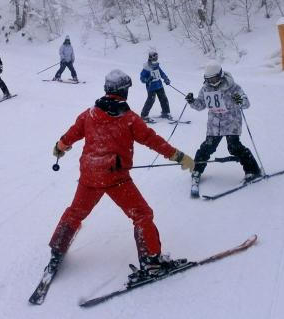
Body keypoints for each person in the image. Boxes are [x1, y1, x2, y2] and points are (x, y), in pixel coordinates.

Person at [47, 69, 195, 280]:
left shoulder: (89, 114)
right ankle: (151, 261)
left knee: (75, 213)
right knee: (142, 215)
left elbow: (71, 134)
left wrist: (60, 146)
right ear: (124, 91)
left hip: (90, 175)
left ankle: (57, 250)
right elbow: (153, 140)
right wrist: (179, 157)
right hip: (116, 179)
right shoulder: (130, 119)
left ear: (107, 89)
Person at [185, 61, 261, 197]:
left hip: (231, 123)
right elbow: (200, 105)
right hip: (214, 124)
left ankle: (253, 170)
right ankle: (197, 170)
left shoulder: (233, 87)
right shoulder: (205, 89)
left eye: (214, 78)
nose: (212, 81)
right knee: (207, 147)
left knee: (234, 147)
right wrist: (192, 101)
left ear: (220, 75)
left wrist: (239, 100)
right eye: (208, 79)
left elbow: (246, 103)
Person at [140, 51, 172, 123]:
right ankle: (144, 116)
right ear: (150, 57)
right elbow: (142, 78)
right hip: (151, 87)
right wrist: (147, 79)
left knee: (163, 98)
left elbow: (161, 73)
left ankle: (165, 113)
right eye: (154, 57)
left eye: (157, 57)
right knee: (151, 100)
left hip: (159, 85)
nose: (156, 58)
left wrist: (166, 79)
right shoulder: (146, 68)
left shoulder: (156, 65)